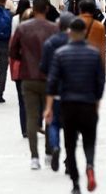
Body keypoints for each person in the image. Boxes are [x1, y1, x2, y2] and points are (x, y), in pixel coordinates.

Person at [44, 18, 105, 194]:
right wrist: (97, 101)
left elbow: (52, 82)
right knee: (89, 141)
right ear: (85, 33)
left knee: (70, 145)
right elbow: (100, 81)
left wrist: (48, 108)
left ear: (70, 33)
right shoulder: (93, 54)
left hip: (68, 105)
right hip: (88, 104)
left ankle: (75, 184)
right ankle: (90, 166)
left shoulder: (60, 54)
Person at [9, 0, 59, 170]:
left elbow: (12, 51)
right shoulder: (54, 28)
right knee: (49, 114)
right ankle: (48, 151)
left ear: (33, 9)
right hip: (49, 77)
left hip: (28, 76)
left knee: (31, 116)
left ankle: (34, 157)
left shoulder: (23, 28)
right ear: (46, 9)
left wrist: (22, 59)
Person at [39, 12, 75, 172]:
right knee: (70, 126)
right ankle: (69, 158)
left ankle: (54, 146)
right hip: (73, 90)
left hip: (54, 88)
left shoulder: (50, 43)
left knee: (53, 122)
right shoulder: (76, 42)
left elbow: (44, 67)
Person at [10, 0, 32, 138]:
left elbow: (12, 41)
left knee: (22, 100)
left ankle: (25, 128)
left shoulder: (15, 20)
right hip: (32, 69)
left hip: (19, 69)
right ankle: (34, 124)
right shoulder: (33, 32)